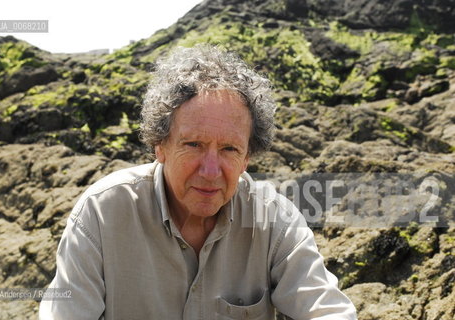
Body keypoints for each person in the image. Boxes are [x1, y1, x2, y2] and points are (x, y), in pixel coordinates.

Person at [39, 44, 357, 319]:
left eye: (229, 149)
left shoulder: (275, 221)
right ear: (159, 146)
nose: (210, 170)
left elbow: (325, 309)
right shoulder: (101, 214)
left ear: (247, 158)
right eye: (193, 145)